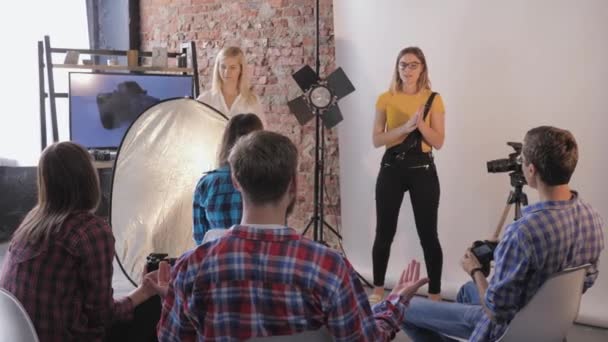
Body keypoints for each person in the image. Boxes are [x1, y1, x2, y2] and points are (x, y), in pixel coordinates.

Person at [157, 131, 430, 341]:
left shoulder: (191, 267)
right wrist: (395, 302)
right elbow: (365, 339)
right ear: (294, 185)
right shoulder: (328, 267)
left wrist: (168, 299)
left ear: (236, 182)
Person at [401, 126, 605, 342]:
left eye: (522, 159)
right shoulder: (592, 217)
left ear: (531, 170)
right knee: (466, 292)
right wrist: (507, 252)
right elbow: (585, 280)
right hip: (550, 326)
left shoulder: (523, 233)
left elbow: (495, 311)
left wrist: (476, 270)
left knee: (401, 305)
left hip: (509, 330)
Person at [0, 142, 162, 342]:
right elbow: (104, 316)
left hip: (22, 336)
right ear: (89, 178)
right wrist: (144, 291)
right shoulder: (91, 231)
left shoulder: (31, 222)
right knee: (155, 305)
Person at [371, 46, 446, 304]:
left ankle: (435, 293)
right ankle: (378, 289)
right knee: (384, 232)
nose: (408, 70)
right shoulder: (386, 98)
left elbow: (438, 141)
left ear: (422, 67)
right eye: (403, 64)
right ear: (397, 67)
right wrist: (404, 127)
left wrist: (421, 125)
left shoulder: (433, 99)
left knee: (429, 235)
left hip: (423, 170)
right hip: (392, 168)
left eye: (413, 65)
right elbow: (377, 139)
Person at [192, 113, 263, 245]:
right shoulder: (268, 179)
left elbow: (200, 239)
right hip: (259, 261)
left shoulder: (206, 183)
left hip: (216, 261)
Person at [196, 46, 263, 119]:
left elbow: (261, 129)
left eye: (232, 67)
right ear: (217, 68)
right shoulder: (205, 100)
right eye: (223, 67)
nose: (227, 72)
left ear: (241, 69)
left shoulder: (253, 101)